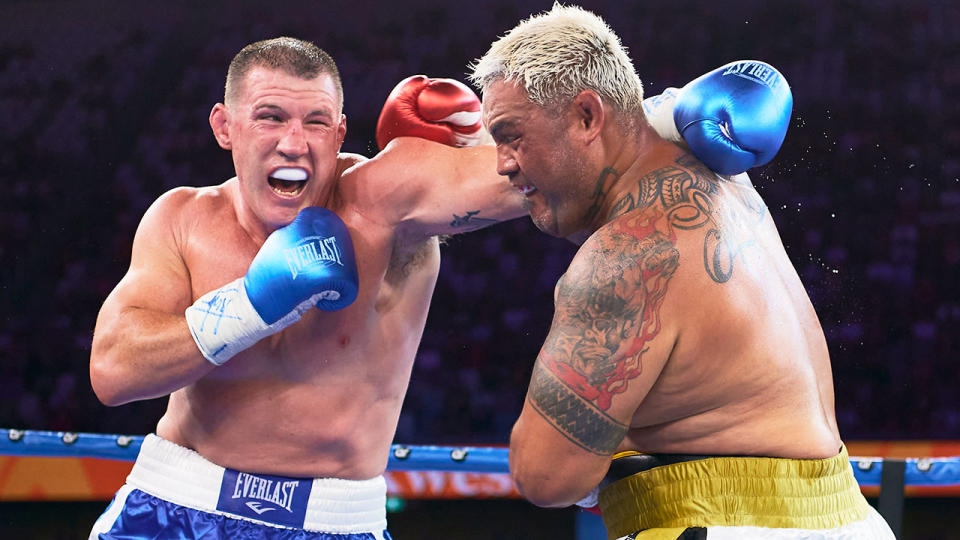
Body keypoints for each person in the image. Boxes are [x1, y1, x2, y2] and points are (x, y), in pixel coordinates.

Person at [87, 36, 788, 539]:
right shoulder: (181, 219)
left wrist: (669, 114)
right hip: (172, 501)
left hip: (334, 518)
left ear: (340, 134)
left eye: (314, 124)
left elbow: (536, 164)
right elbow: (114, 371)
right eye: (270, 117)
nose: (293, 143)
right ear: (225, 127)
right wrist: (252, 304)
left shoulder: (383, 201)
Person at [470, 5, 895, 540]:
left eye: (511, 136)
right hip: (847, 518)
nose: (503, 163)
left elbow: (545, 475)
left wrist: (607, 458)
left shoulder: (628, 253)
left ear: (586, 117)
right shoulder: (724, 179)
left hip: (721, 524)